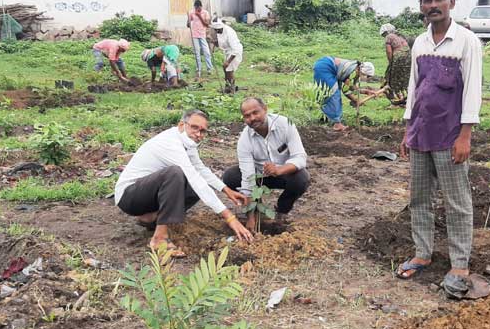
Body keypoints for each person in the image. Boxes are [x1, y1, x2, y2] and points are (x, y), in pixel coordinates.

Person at [397, 0, 483, 298]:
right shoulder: (419, 43)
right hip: (421, 132)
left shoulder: (466, 42)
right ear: (421, 6)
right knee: (419, 198)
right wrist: (407, 130)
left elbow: (473, 90)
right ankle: (423, 252)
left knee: (457, 201)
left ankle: (459, 262)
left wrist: (465, 136)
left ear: (452, 2)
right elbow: (414, 89)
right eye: (427, 1)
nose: (432, 5)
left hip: (450, 135)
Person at [114, 109, 254, 256]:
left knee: (193, 184)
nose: (198, 134)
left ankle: (152, 217)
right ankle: (159, 239)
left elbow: (200, 169)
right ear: (181, 125)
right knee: (175, 174)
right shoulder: (170, 143)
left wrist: (226, 190)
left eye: (203, 131)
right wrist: (230, 217)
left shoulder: (188, 143)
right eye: (194, 127)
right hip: (129, 197)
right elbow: (195, 178)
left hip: (146, 195)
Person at [222, 98, 310, 232]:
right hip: (259, 176)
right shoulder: (244, 140)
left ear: (265, 109)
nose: (252, 118)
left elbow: (300, 157)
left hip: (284, 174)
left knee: (301, 178)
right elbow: (248, 177)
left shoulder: (285, 125)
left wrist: (279, 170)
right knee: (230, 177)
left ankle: (281, 211)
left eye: (255, 112)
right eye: (247, 116)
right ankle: (258, 211)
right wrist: (250, 217)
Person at [312, 57, 375, 131]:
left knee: (328, 93)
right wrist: (355, 100)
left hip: (323, 64)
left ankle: (326, 117)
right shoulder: (353, 72)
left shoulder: (354, 68)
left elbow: (350, 86)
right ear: (361, 71)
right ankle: (337, 124)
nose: (366, 78)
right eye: (366, 75)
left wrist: (364, 91)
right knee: (334, 94)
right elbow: (346, 91)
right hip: (325, 68)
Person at [379, 23, 411, 107]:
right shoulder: (400, 36)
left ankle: (396, 101)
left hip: (398, 57)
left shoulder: (389, 37)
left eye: (384, 34)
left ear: (386, 32)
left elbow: (389, 52)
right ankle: (407, 100)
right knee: (405, 78)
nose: (384, 36)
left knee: (393, 79)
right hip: (409, 56)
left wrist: (391, 63)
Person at [211, 19, 243, 92]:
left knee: (229, 69)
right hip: (228, 51)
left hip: (235, 52)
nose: (216, 31)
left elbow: (235, 50)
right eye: (215, 29)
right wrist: (212, 41)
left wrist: (228, 61)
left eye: (217, 29)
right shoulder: (219, 32)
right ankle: (227, 86)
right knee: (225, 68)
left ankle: (232, 88)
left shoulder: (229, 33)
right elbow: (221, 44)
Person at [187, 0, 213, 79]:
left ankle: (209, 68)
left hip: (202, 35)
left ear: (200, 7)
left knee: (206, 52)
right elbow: (188, 24)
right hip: (194, 35)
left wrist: (199, 16)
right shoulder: (192, 12)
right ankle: (199, 69)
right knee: (197, 52)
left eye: (197, 8)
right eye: (195, 8)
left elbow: (207, 24)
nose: (196, 10)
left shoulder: (205, 13)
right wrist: (188, 21)